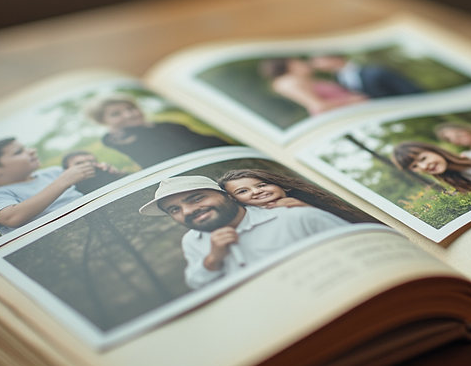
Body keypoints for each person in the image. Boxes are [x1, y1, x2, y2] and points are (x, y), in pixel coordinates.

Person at [139, 175, 351, 289]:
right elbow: (196, 283)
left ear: (229, 196)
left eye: (196, 198)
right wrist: (212, 260)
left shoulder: (296, 216)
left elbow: (357, 247)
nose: (188, 211)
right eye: (174, 210)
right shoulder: (192, 241)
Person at [0, 138, 93, 235]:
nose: (32, 150)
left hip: (94, 224)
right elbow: (12, 218)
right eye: (19, 152)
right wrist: (63, 181)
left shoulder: (53, 173)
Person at [85, 94, 231, 169]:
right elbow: (125, 141)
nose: (129, 115)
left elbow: (206, 140)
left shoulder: (167, 125)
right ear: (102, 121)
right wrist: (118, 127)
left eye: (131, 108)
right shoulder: (116, 138)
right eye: (116, 114)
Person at [217, 168, 373, 223]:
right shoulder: (248, 220)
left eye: (262, 185)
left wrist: (309, 209)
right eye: (243, 191)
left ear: (280, 184)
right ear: (234, 200)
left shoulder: (317, 200)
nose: (257, 191)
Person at [259, 57, 368, 116]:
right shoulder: (289, 83)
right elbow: (319, 106)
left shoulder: (310, 81)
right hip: (345, 116)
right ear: (290, 66)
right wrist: (351, 100)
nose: (304, 63)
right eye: (298, 61)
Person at [307, 54, 423, 98]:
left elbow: (412, 91)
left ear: (334, 58)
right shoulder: (338, 79)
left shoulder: (376, 71)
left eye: (318, 60)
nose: (315, 65)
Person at [60, 151, 126, 194]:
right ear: (66, 170)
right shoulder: (68, 192)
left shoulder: (107, 174)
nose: (87, 165)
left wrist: (118, 174)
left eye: (91, 161)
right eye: (79, 163)